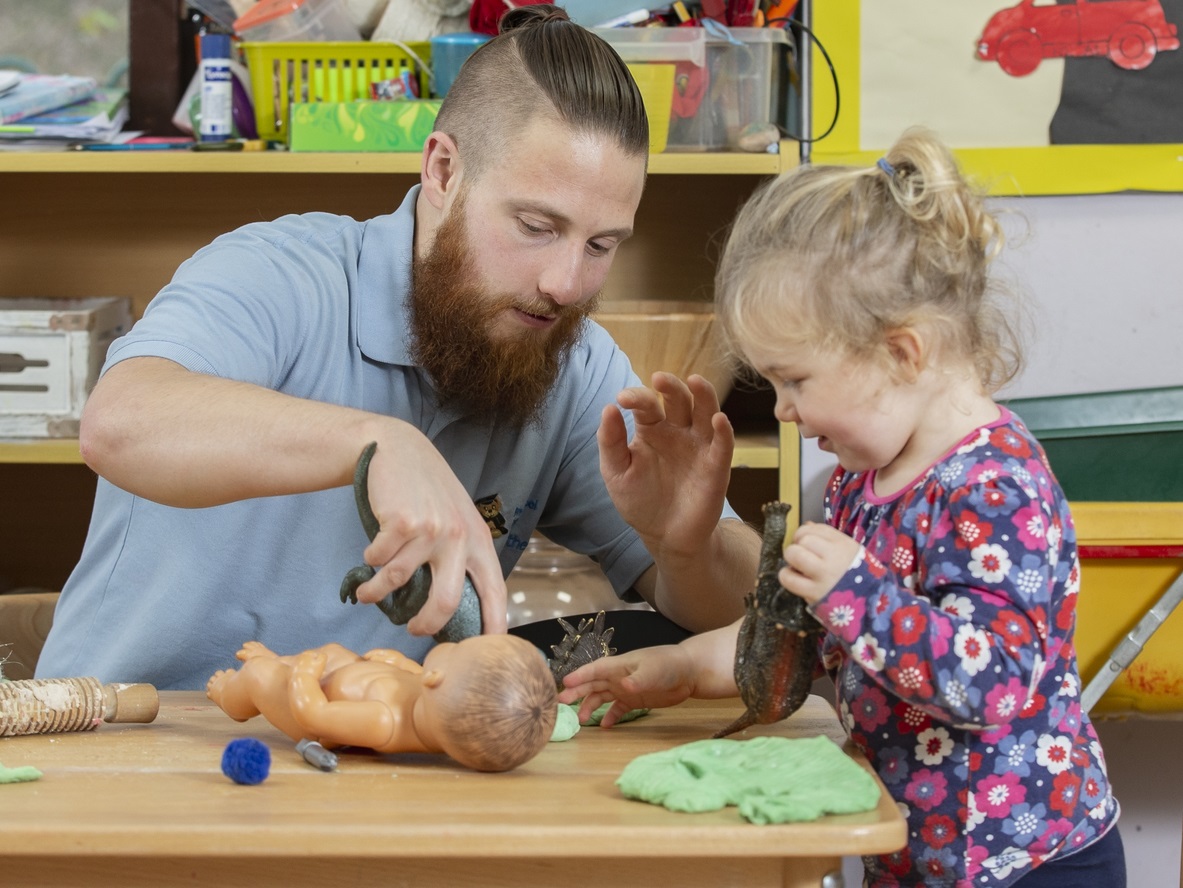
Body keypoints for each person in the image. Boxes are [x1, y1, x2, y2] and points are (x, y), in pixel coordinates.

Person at [36, 5, 759, 690]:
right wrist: (376, 444)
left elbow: (739, 621)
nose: (565, 283)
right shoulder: (278, 273)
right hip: (131, 747)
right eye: (536, 226)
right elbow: (119, 423)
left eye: (601, 245)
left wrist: (687, 547)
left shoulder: (573, 362)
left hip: (370, 777)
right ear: (443, 172)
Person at [559, 128, 1125, 887]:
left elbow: (991, 685)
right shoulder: (864, 476)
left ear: (902, 352)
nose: (785, 411)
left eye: (795, 380)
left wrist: (856, 591)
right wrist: (683, 667)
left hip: (1030, 864)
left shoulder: (995, 487)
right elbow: (802, 632)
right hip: (913, 853)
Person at [206, 633, 556, 772]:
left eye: (460, 648)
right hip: (338, 678)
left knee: (257, 674)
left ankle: (232, 695)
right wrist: (402, 665)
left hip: (315, 706)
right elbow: (418, 680)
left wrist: (302, 678)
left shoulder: (383, 721)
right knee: (336, 654)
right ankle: (283, 665)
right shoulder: (436, 702)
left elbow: (316, 716)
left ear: (437, 678)